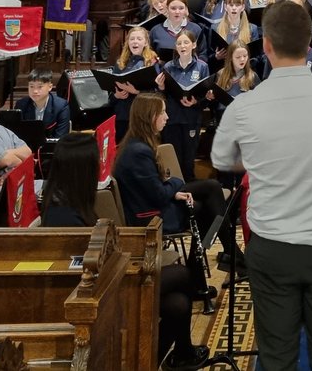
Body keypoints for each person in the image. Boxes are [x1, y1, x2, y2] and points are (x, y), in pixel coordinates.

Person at [211, 0, 312, 371]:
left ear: (265, 46)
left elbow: (221, 160)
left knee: (276, 357)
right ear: (311, 42)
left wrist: (262, 157)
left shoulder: (244, 107)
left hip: (273, 247)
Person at [46, 130, 211, 371]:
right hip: (96, 292)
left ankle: (166, 357)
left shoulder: (71, 197)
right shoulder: (63, 214)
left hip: (104, 278)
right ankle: (163, 356)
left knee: (177, 303)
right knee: (182, 276)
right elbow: (81, 265)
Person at [115, 93, 240, 264]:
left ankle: (226, 255)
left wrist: (173, 190)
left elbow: (153, 188)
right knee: (206, 206)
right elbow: (158, 194)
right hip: (151, 217)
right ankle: (224, 256)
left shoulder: (136, 143)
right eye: (163, 112)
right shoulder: (139, 151)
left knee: (211, 189)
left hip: (151, 203)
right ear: (149, 116)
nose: (167, 117)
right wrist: (177, 183)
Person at [158, 29, 209, 181]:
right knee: (172, 160)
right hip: (172, 119)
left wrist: (196, 101)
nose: (182, 46)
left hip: (191, 119)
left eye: (186, 42)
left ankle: (189, 194)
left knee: (188, 161)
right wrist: (160, 88)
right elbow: (162, 96)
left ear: (193, 45)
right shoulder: (168, 67)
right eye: (179, 43)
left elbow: (206, 95)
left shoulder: (202, 67)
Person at [15, 67, 71, 138]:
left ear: (50, 87)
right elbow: (16, 135)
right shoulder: (21, 105)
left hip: (52, 147)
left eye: (40, 87)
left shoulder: (61, 106)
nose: (35, 91)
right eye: (31, 86)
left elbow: (60, 137)